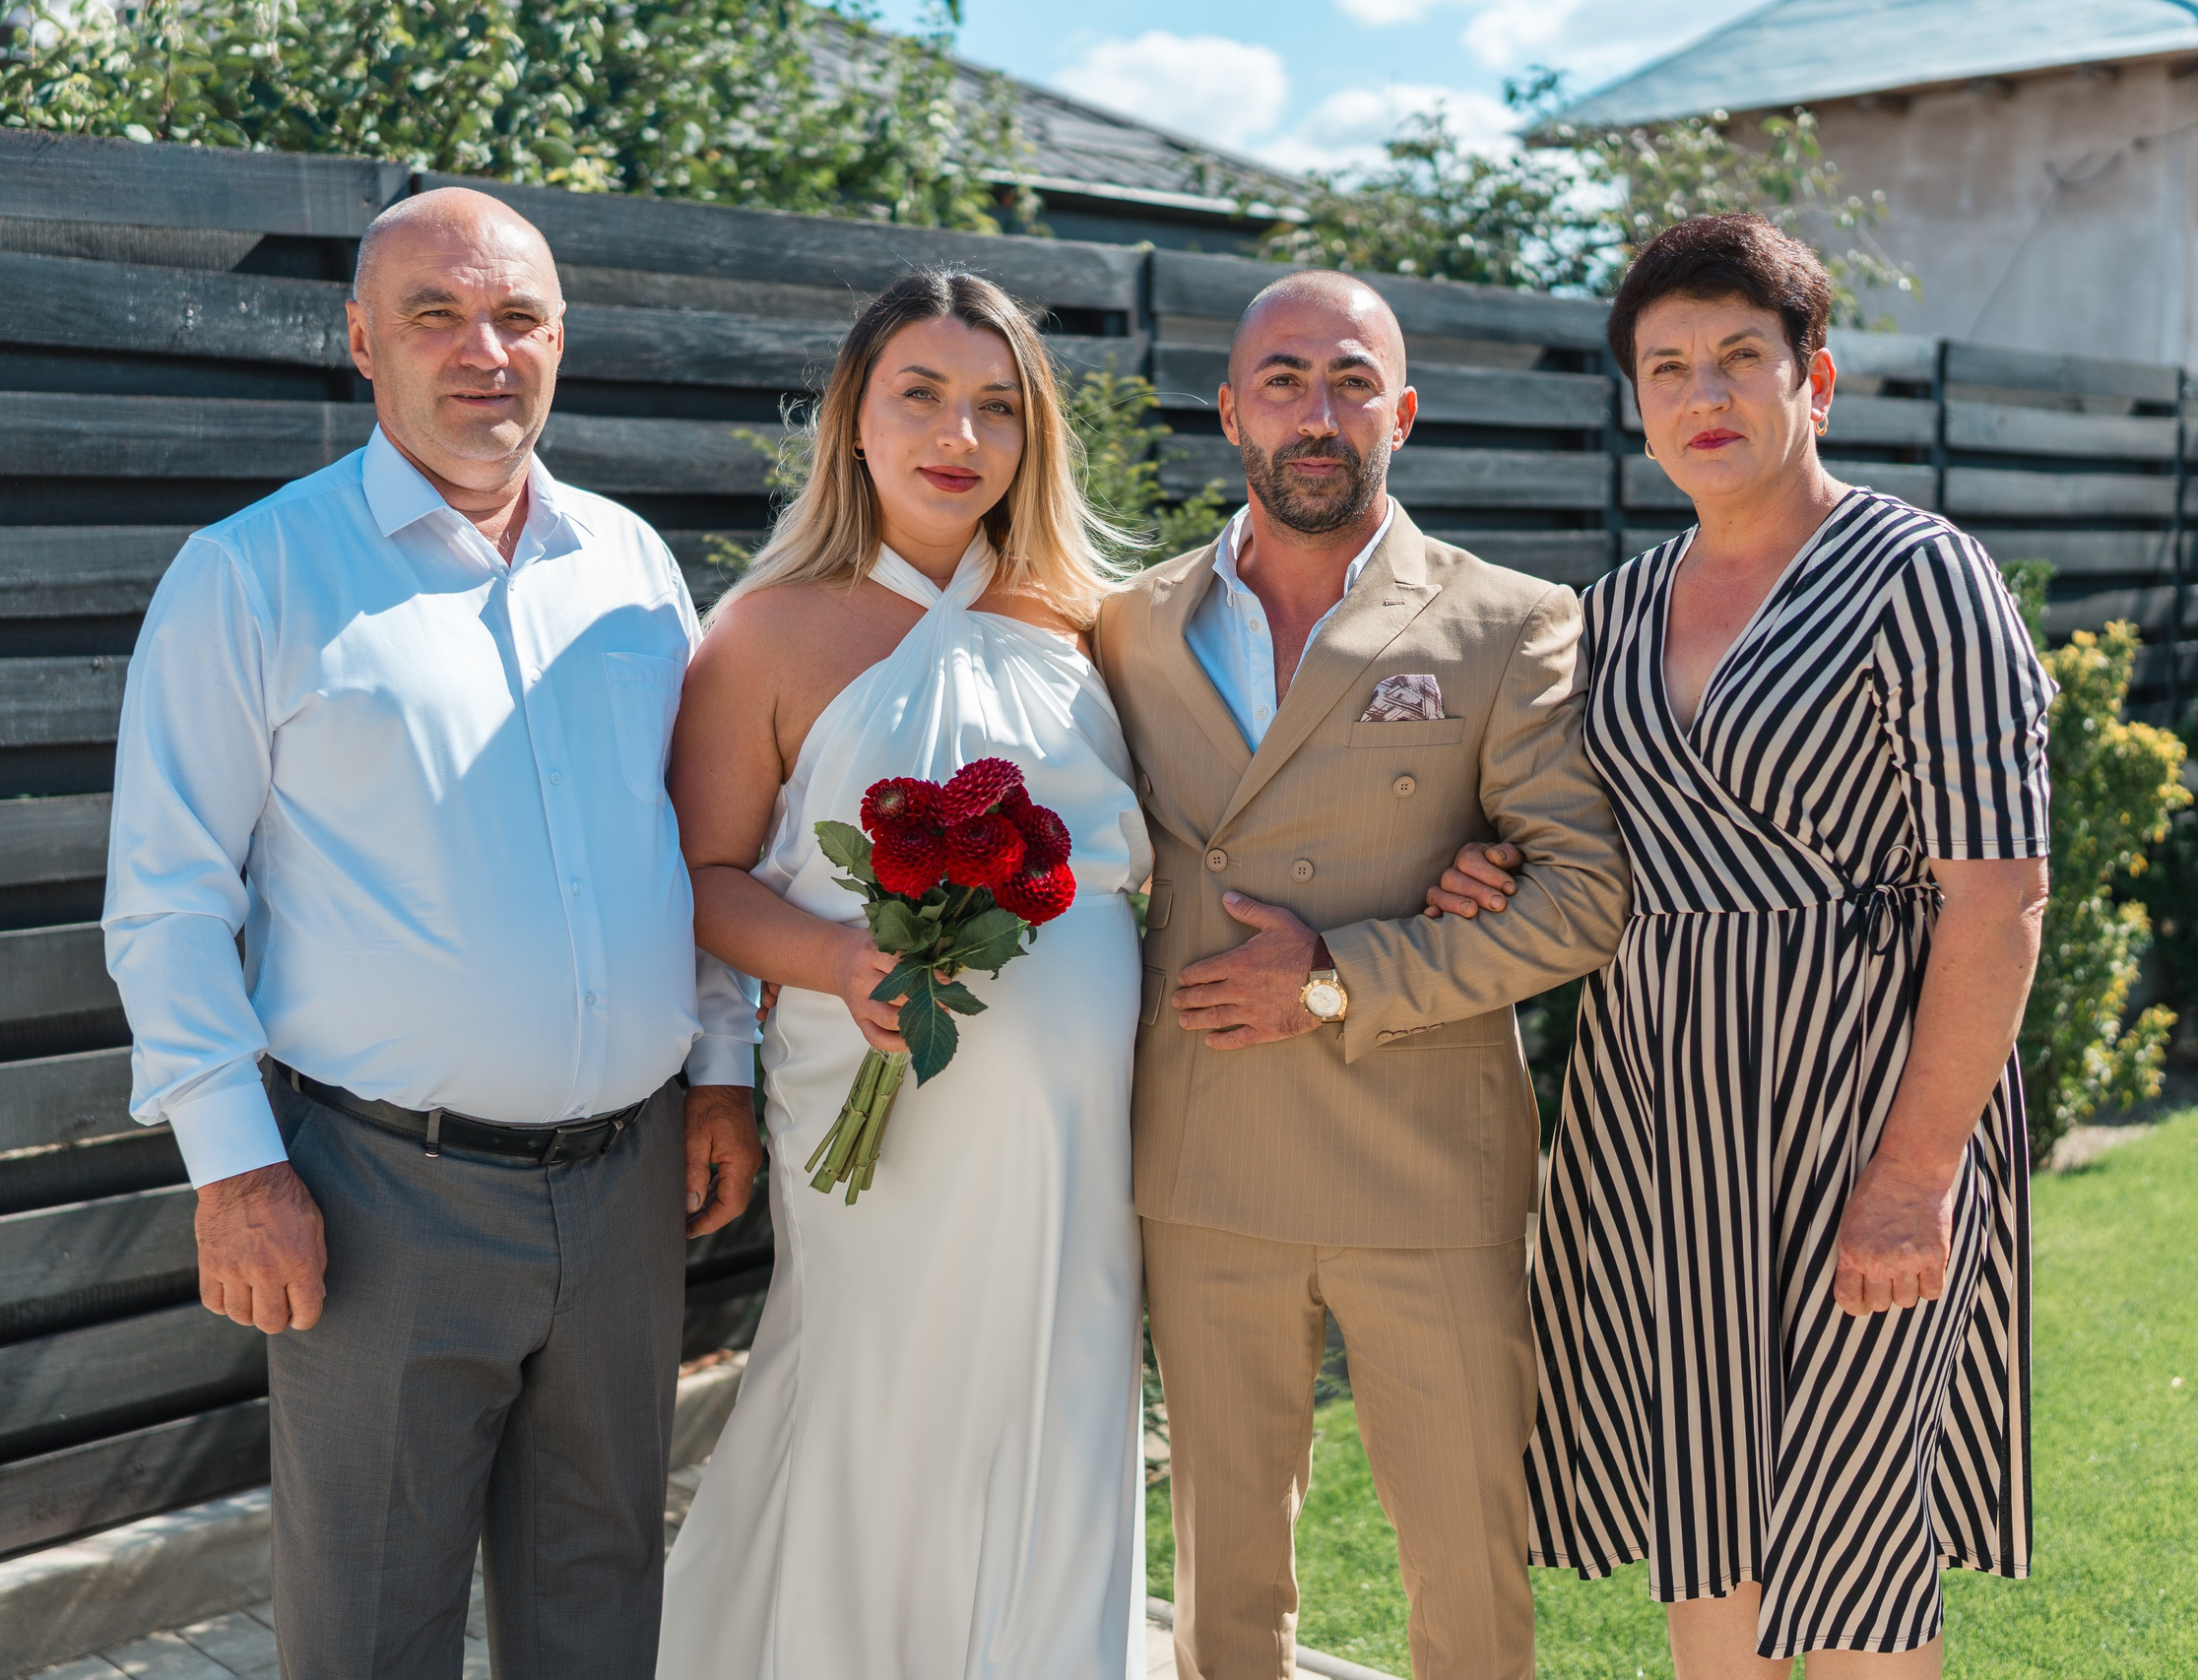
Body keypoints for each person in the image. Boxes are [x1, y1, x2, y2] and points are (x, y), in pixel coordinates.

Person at [101, 187, 763, 1680]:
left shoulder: (634, 568)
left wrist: (723, 1071)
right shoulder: (254, 573)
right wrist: (235, 1169)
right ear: (361, 342)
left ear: (561, 340)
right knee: (373, 1626)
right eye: (435, 315)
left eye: (519, 317)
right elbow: (166, 896)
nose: (485, 351)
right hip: (381, 1195)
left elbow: (691, 845)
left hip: (631, 1181)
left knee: (601, 1597)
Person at [1446, 213, 2052, 1676]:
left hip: (1863, 1103)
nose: (1703, 395)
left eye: (1738, 357)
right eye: (1667, 368)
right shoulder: (1612, 611)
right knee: (1708, 1512)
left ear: (1813, 379)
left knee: (1856, 1545)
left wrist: (1917, 1174)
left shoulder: (1920, 575)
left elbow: (2001, 895)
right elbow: (1594, 837)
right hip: (1662, 1117)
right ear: (1638, 402)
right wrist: (1490, 864)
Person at [1096, 270, 1632, 1680]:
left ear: (1404, 412)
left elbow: (1584, 898)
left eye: (1351, 382)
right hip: (1207, 1153)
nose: (1317, 413)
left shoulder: (1508, 621)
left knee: (1466, 1561)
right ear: (1230, 413)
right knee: (1222, 1575)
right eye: (1283, 381)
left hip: (1425, 1162)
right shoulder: (1131, 625)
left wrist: (1335, 975)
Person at [654, 270, 1152, 1678]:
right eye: (921, 395)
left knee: (1059, 1391)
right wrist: (831, 954)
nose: (959, 434)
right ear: (852, 420)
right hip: (873, 1115)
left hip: (1075, 1142)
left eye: (998, 406)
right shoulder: (765, 631)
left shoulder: (1090, 621)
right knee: (881, 1391)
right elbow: (700, 877)